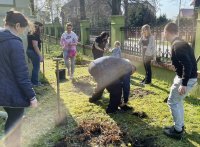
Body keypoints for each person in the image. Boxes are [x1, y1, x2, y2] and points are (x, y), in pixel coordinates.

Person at [0, 10, 38, 147]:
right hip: (12, 93)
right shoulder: (15, 43)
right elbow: (22, 75)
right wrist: (32, 97)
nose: (23, 33)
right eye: (23, 29)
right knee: (15, 123)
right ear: (17, 25)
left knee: (11, 119)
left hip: (2, 91)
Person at [163, 22, 197, 140]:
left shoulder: (177, 46)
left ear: (167, 32)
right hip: (186, 78)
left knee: (172, 101)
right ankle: (180, 126)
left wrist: (183, 84)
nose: (163, 34)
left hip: (186, 79)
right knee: (178, 102)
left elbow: (188, 65)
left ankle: (177, 131)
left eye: (164, 32)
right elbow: (185, 63)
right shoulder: (181, 43)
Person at [110, 41, 133, 111]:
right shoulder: (127, 68)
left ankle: (119, 103)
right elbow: (126, 87)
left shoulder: (115, 51)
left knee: (118, 86)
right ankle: (121, 103)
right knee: (124, 86)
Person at [26, 21, 44, 86]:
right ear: (38, 27)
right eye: (41, 28)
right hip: (33, 52)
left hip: (29, 51)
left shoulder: (30, 32)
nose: (42, 29)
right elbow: (35, 45)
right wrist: (40, 55)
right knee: (36, 67)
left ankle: (33, 82)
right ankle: (35, 82)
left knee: (35, 67)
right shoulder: (35, 33)